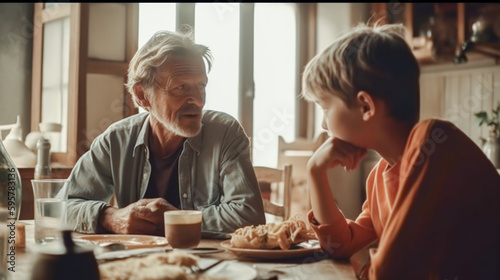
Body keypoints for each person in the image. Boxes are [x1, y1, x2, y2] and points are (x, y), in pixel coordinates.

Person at [301, 23, 500, 279]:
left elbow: (387, 274)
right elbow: (341, 246)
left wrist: (364, 266)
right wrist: (315, 172)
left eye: (325, 108)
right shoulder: (379, 175)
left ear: (365, 106)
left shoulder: (434, 145)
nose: (323, 124)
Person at [65, 30, 266, 236]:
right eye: (180, 87)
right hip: (134, 262)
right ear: (142, 96)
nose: (198, 100)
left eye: (201, 85)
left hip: (206, 262)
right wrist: (111, 217)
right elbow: (60, 208)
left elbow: (249, 216)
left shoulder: (225, 133)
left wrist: (177, 219)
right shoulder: (116, 140)